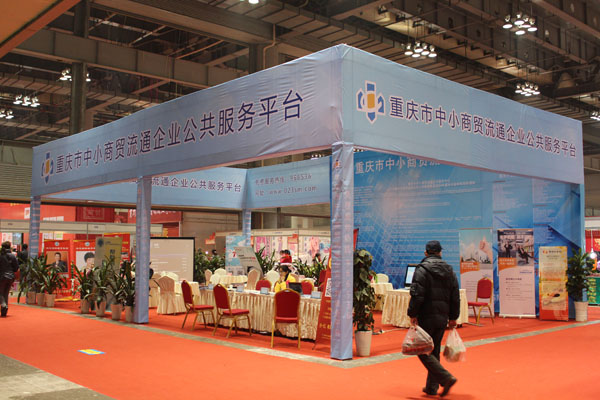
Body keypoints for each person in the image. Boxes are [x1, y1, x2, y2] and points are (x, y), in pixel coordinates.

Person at [407, 241, 460, 397]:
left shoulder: (421, 269)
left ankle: (445, 377)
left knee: (421, 349)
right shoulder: (450, 270)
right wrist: (453, 317)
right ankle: (432, 388)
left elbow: (417, 295)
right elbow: (455, 296)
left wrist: (412, 313)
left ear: (426, 253)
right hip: (442, 317)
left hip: (426, 316)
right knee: (434, 350)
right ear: (440, 252)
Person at [0, 241, 20, 317]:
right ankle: (4, 311)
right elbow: (16, 267)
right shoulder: (13, 256)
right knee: (6, 293)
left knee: (1, 293)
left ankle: (3, 305)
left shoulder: (1, 255)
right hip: (11, 277)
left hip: (2, 276)